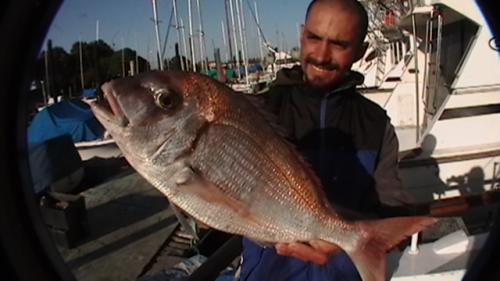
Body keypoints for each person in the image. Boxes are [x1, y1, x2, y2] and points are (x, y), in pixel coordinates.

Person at [240, 0, 411, 280]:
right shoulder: (259, 111)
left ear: (360, 51)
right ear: (302, 35)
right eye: (314, 38)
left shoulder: (376, 124)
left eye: (339, 44)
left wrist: (342, 242)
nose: (321, 55)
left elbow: (392, 209)